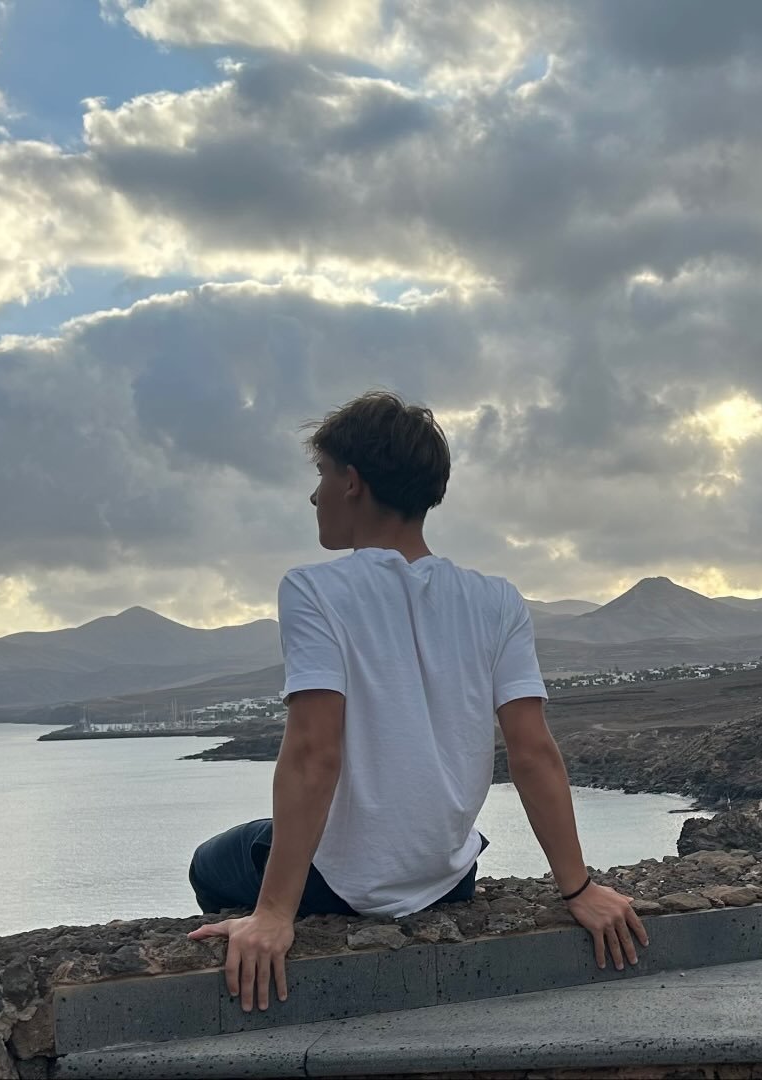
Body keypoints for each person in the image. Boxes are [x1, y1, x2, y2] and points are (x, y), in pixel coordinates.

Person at [188, 390, 648, 1012]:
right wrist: (578, 888)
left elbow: (314, 754)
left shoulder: (313, 589)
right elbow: (533, 752)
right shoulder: (497, 599)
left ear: (352, 482)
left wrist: (273, 912)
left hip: (341, 887)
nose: (315, 496)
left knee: (210, 862)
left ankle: (267, 970)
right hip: (449, 880)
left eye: (321, 474)